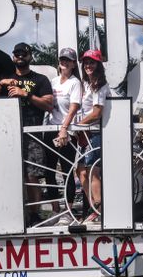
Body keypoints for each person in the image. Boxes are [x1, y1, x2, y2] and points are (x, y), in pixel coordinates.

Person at [0, 42, 53, 226]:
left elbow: (49, 105)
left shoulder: (41, 79)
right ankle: (13, 213)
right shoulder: (6, 78)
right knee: (10, 175)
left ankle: (34, 214)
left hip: (32, 133)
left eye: (24, 53)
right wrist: (1, 83)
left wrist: (26, 95)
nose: (20, 56)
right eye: (17, 53)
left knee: (32, 176)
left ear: (30, 56)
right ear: (13, 56)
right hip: (8, 133)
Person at [43, 47, 82, 225]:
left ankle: (68, 211)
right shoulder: (52, 81)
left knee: (67, 171)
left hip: (67, 131)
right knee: (49, 171)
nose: (64, 62)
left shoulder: (75, 83)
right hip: (51, 128)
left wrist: (64, 128)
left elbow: (73, 107)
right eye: (62, 59)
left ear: (73, 64)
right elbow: (48, 104)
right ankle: (55, 211)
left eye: (68, 60)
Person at [76, 49, 110, 224]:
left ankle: (99, 209)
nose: (88, 65)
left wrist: (77, 124)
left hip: (96, 131)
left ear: (98, 65)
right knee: (80, 170)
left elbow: (97, 111)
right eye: (86, 62)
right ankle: (96, 207)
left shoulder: (100, 85)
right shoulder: (87, 84)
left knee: (91, 170)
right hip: (87, 132)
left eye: (92, 62)